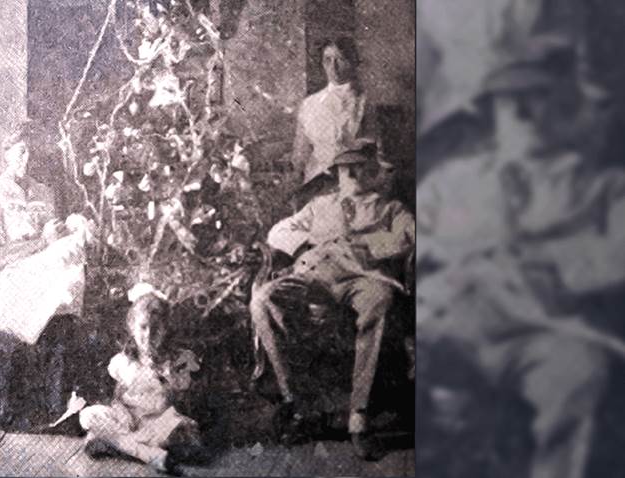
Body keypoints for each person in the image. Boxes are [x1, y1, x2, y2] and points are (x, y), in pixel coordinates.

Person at [417, 39, 619, 478]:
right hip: (448, 318)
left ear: (560, 105)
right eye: (512, 104)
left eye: (537, 99)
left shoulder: (596, 186)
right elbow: (411, 235)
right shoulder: (452, 182)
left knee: (578, 370)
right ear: (491, 111)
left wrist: (550, 268)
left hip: (538, 328)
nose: (525, 115)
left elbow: (614, 255)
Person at [249, 143, 414, 460]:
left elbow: (410, 236)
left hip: (362, 278)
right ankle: (299, 402)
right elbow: (280, 230)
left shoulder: (390, 208)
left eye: (358, 167)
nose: (350, 174)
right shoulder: (319, 205)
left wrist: (366, 246)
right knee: (264, 299)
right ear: (336, 174)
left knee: (380, 302)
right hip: (314, 274)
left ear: (372, 172)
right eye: (343, 168)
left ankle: (358, 415)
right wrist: (304, 246)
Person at [0, 127, 87, 431]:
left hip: (45, 268)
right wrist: (43, 241)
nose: (27, 160)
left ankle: (57, 407)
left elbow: (55, 242)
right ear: (6, 154)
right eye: (21, 152)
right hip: (11, 273)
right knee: (56, 295)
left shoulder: (45, 192)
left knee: (68, 276)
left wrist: (69, 230)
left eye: (33, 153)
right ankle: (30, 409)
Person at [77, 292, 207, 474]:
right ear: (132, 327)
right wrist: (123, 414)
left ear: (166, 329)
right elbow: (118, 398)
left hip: (159, 423)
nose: (149, 335)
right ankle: (147, 454)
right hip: (129, 422)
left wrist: (170, 377)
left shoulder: (177, 360)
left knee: (183, 433)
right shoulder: (123, 362)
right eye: (143, 327)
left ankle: (116, 444)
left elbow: (181, 398)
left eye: (156, 328)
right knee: (88, 415)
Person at [290, 37, 375, 204]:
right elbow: (300, 153)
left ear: (352, 62)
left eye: (340, 60)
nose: (333, 67)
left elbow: (371, 150)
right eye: (327, 60)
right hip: (315, 183)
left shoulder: (364, 102)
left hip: (352, 184)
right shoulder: (310, 103)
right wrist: (297, 178)